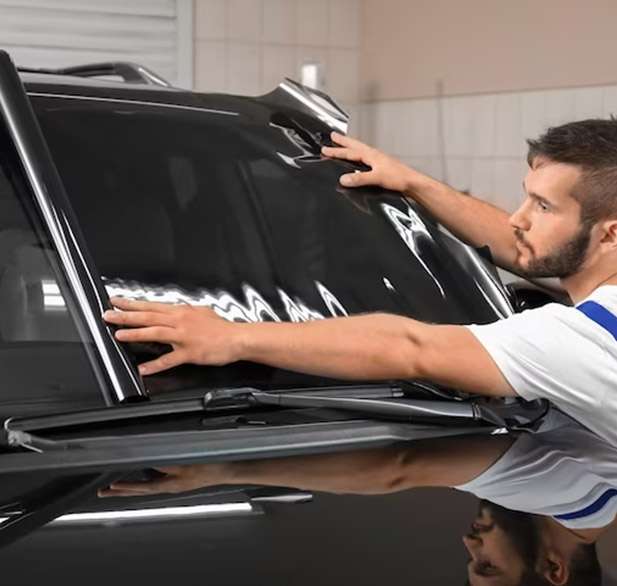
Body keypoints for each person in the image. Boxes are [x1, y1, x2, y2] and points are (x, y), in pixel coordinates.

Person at [103, 118, 617, 447]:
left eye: (543, 206)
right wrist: (413, 183)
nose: (518, 219)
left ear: (610, 233)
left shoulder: (582, 339)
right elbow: (523, 250)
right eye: (525, 197)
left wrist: (232, 335)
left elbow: (411, 347)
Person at [100, 410, 611, 585]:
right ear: (554, 570)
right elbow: (397, 467)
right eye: (488, 566)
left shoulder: (595, 498)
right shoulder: (563, 491)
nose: (469, 543)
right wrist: (222, 469)